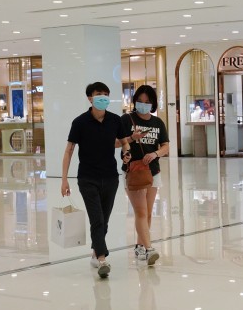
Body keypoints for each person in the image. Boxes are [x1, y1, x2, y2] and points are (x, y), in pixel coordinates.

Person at [61, 82, 140, 278]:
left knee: (104, 221)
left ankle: (95, 253)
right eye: (99, 94)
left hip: (110, 178)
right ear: (90, 98)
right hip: (87, 178)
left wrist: (127, 153)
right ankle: (103, 259)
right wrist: (64, 179)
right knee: (97, 219)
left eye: (106, 94)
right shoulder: (79, 122)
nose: (103, 97)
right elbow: (69, 150)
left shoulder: (115, 120)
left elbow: (123, 142)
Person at [121, 85, 170, 267]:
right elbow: (117, 142)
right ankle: (148, 249)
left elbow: (165, 146)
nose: (143, 105)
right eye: (140, 101)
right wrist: (131, 140)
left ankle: (140, 245)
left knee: (148, 213)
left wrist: (156, 154)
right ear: (135, 102)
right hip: (133, 171)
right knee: (140, 212)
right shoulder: (127, 119)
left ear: (153, 104)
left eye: (147, 102)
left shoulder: (157, 123)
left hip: (153, 172)